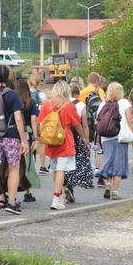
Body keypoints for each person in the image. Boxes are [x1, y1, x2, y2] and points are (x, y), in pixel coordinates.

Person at [0, 66, 29, 216]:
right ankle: (12, 201)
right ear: (8, 77)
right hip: (10, 135)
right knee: (13, 168)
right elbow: (18, 119)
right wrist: (24, 140)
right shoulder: (13, 94)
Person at [38, 80, 89, 210]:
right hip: (64, 140)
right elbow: (77, 125)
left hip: (51, 140)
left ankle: (59, 195)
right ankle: (56, 198)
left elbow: (41, 123)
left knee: (55, 169)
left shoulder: (46, 105)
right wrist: (84, 139)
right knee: (61, 169)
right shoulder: (69, 106)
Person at [96, 82, 133, 200]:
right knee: (118, 163)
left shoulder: (103, 104)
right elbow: (130, 120)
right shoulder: (124, 103)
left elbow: (97, 121)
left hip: (106, 138)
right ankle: (116, 191)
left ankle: (108, 184)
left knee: (108, 160)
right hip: (120, 137)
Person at [64, 82, 94, 202]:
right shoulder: (81, 105)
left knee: (64, 162)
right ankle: (71, 187)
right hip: (76, 136)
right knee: (76, 162)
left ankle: (65, 184)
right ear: (78, 93)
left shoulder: (63, 102)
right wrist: (86, 140)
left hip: (64, 136)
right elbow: (85, 125)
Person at [79, 72, 106, 185]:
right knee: (99, 147)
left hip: (85, 122)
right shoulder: (99, 91)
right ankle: (99, 170)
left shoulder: (82, 92)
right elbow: (103, 105)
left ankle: (86, 173)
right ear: (96, 82)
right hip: (95, 122)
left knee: (87, 147)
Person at [15, 79, 38, 203]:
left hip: (16, 135)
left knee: (15, 164)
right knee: (28, 164)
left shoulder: (13, 102)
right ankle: (27, 192)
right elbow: (34, 121)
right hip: (28, 136)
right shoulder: (31, 102)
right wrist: (36, 137)